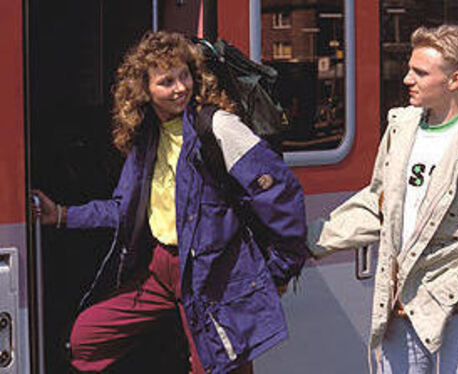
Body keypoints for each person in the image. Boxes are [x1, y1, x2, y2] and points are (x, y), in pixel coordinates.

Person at [33, 31, 309, 373]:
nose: (180, 87)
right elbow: (124, 210)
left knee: (216, 366)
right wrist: (61, 215)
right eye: (166, 81)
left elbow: (281, 192)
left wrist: (280, 269)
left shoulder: (218, 126)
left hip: (212, 274)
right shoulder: (148, 136)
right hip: (160, 269)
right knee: (85, 341)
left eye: (185, 76)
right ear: (144, 91)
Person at [308, 25, 458, 373]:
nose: (406, 79)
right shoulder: (402, 130)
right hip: (401, 306)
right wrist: (307, 240)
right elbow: (379, 206)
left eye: (420, 72)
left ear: (455, 80)